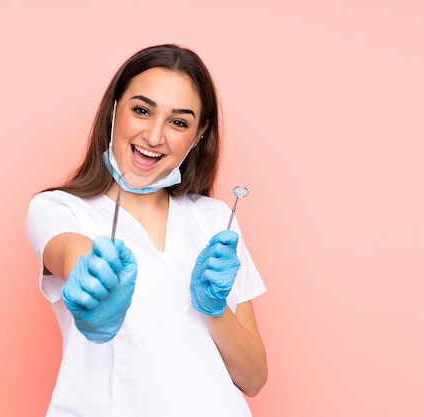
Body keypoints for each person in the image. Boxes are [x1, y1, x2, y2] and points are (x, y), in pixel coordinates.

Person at [25, 43, 268, 417]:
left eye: (178, 122)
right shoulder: (60, 208)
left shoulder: (215, 220)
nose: (155, 136)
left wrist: (215, 309)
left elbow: (253, 379)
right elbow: (69, 250)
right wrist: (92, 279)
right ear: (113, 110)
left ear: (200, 133)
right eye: (141, 110)